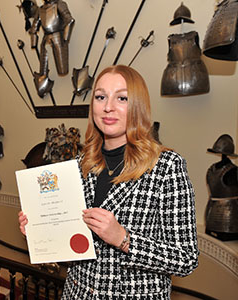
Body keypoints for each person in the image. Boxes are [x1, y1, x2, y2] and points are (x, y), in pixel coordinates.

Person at [18, 65, 199, 299]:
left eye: (121, 98)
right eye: (100, 97)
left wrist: (124, 239)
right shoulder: (80, 163)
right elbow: (75, 247)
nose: (108, 107)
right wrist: (40, 232)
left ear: (138, 107)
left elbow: (185, 259)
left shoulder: (166, 166)